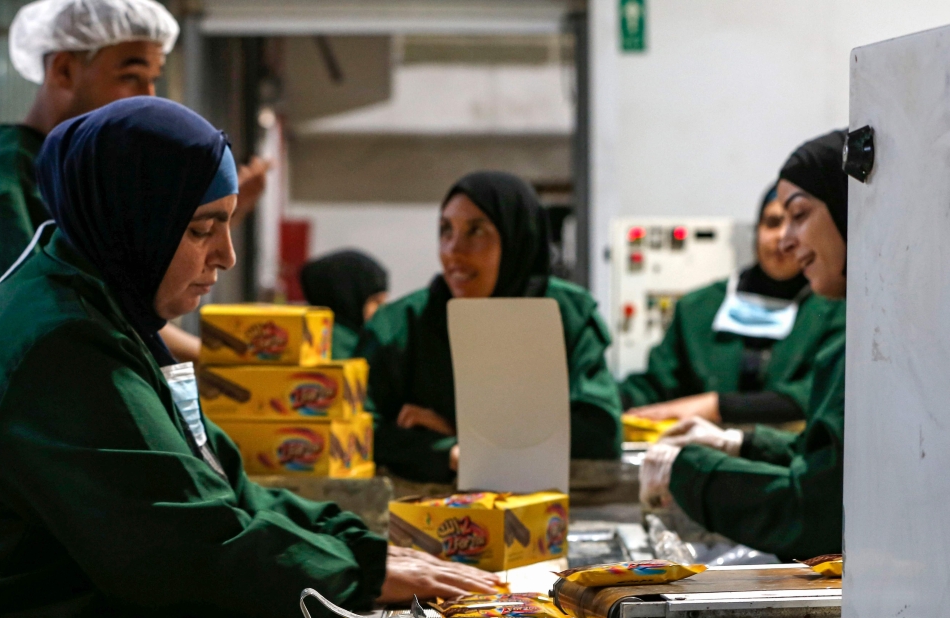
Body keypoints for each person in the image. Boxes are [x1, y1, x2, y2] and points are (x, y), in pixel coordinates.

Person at [0, 98, 497, 618]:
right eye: (199, 229)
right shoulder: (59, 347)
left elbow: (222, 487)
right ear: (132, 219)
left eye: (228, 224)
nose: (225, 255)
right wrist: (357, 574)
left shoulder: (107, 317)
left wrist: (360, 547)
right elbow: (181, 544)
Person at [0, 0, 269, 360]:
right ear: (65, 70)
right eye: (130, 76)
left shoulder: (88, 180)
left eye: (154, 79)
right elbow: (68, 306)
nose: (149, 96)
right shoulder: (10, 180)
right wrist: (217, 358)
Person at [640, 130, 848, 561]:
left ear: (851, 207)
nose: (785, 240)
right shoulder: (700, 306)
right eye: (773, 223)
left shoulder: (849, 328)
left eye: (799, 215)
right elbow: (827, 460)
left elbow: (814, 507)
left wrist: (694, 469)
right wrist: (740, 442)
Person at [356, 171, 623, 486]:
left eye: (476, 231)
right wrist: (446, 452)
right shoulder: (401, 325)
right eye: (445, 230)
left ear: (517, 238)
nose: (454, 250)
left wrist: (463, 433)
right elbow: (355, 430)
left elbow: (599, 434)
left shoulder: (568, 315)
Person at [621, 187, 845, 425]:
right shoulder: (697, 308)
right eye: (772, 223)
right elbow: (657, 385)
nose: (782, 236)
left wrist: (716, 407)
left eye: (796, 224)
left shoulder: (834, 311)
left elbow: (819, 393)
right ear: (756, 231)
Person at [300, 250, 389, 359]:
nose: (383, 308)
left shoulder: (310, 333)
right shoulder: (339, 346)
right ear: (347, 299)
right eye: (375, 301)